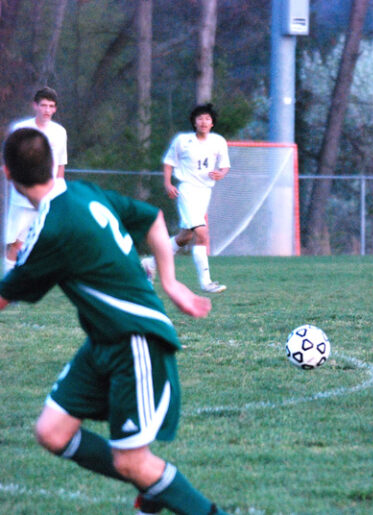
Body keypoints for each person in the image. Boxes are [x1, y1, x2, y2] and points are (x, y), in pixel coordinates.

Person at [0, 128, 228, 515]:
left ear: (7, 173)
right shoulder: (82, 192)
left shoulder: (51, 229)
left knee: (131, 462)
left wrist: (170, 283)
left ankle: (185, 499)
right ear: (51, 165)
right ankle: (154, 484)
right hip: (104, 340)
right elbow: (152, 216)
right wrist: (169, 281)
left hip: (134, 339)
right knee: (52, 433)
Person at [145, 104, 230, 294]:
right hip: (186, 190)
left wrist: (221, 173)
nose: (203, 122)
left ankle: (150, 264)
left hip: (204, 192)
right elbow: (169, 162)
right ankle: (206, 282)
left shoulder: (218, 141)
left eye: (207, 118)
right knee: (201, 232)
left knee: (185, 236)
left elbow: (225, 166)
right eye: (200, 118)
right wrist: (168, 184)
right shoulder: (183, 140)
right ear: (194, 121)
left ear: (212, 122)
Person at [4, 86, 68, 274]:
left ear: (55, 109)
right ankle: (8, 284)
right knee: (15, 242)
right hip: (22, 197)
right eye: (43, 105)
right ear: (35, 106)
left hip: (47, 197)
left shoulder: (59, 132)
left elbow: (60, 164)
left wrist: (59, 191)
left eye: (51, 106)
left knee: (49, 242)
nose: (47, 110)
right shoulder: (21, 129)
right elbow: (11, 160)